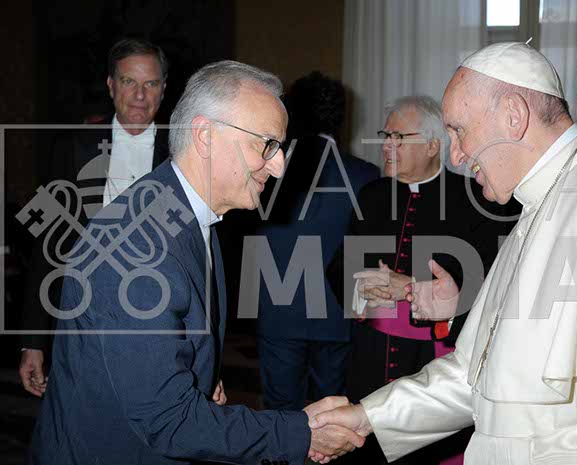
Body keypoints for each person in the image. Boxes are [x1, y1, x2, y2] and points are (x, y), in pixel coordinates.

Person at [309, 42, 577, 465]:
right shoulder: (540, 200)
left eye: (460, 131)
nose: (456, 155)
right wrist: (366, 418)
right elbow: (476, 374)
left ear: (514, 115)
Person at [28, 60, 364, 465]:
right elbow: (168, 422)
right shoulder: (136, 246)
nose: (279, 166)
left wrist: (199, 377)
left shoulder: (186, 211)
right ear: (205, 135)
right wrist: (299, 433)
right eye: (267, 145)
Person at [332, 96, 518, 465]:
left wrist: (413, 288)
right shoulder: (371, 195)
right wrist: (359, 287)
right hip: (371, 353)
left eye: (399, 138)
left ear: (433, 146)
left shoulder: (475, 199)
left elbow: (494, 280)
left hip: (432, 355)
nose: (387, 145)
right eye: (386, 136)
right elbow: (339, 264)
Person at [19, 38, 171, 397]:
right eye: (129, 82)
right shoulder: (72, 147)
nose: (139, 95)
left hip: (160, 326)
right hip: (83, 322)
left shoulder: (184, 153)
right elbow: (47, 245)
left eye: (150, 83)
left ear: (164, 89)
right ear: (111, 85)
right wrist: (32, 341)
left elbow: (203, 255)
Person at [254, 71, 379, 411]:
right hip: (339, 315)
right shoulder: (367, 176)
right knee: (335, 413)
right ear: (341, 117)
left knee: (280, 415)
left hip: (278, 312)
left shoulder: (266, 171)